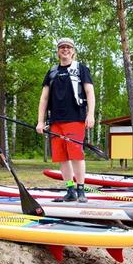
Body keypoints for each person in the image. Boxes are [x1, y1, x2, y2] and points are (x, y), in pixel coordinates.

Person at [36, 38, 95, 203]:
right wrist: (40, 121)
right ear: (58, 51)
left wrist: (90, 114)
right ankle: (70, 189)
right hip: (55, 121)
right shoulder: (52, 71)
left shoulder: (81, 69)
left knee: (76, 155)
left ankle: (81, 189)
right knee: (62, 157)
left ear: (73, 51)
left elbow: (89, 92)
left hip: (75, 118)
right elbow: (44, 98)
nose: (65, 50)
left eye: (68, 47)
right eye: (62, 47)